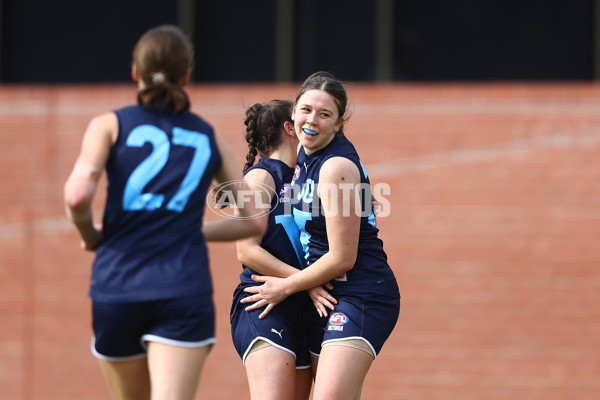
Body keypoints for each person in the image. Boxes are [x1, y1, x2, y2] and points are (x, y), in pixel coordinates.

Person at [63, 25, 265, 400]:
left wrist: (90, 236)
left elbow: (77, 196)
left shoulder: (108, 124)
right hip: (183, 289)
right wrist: (190, 231)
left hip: (117, 287)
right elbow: (253, 221)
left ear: (135, 72)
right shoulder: (208, 137)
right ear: (186, 75)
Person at [242, 71, 401, 400]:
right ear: (293, 115)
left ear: (339, 123)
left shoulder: (335, 167)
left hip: (361, 292)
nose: (312, 120)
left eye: (325, 114)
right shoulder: (302, 154)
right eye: (305, 110)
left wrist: (286, 285)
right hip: (326, 295)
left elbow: (343, 257)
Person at [230, 99, 337, 400]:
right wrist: (306, 282)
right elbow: (247, 252)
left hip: (301, 304)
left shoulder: (306, 176)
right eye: (302, 118)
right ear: (289, 128)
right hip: (265, 304)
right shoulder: (260, 177)